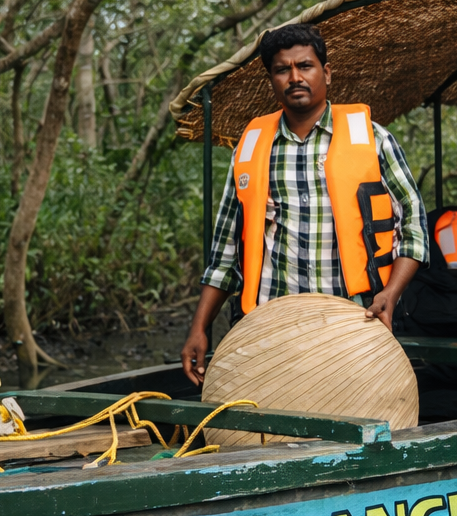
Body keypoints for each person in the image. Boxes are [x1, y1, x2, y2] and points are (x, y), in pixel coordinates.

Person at [180, 23, 428, 385]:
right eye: (283, 69)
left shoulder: (373, 139)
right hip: (269, 326)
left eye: (305, 66)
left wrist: (390, 295)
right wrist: (199, 328)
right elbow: (225, 254)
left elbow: (414, 228)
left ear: (326, 72)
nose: (295, 77)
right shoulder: (249, 149)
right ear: (272, 79)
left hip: (355, 320)